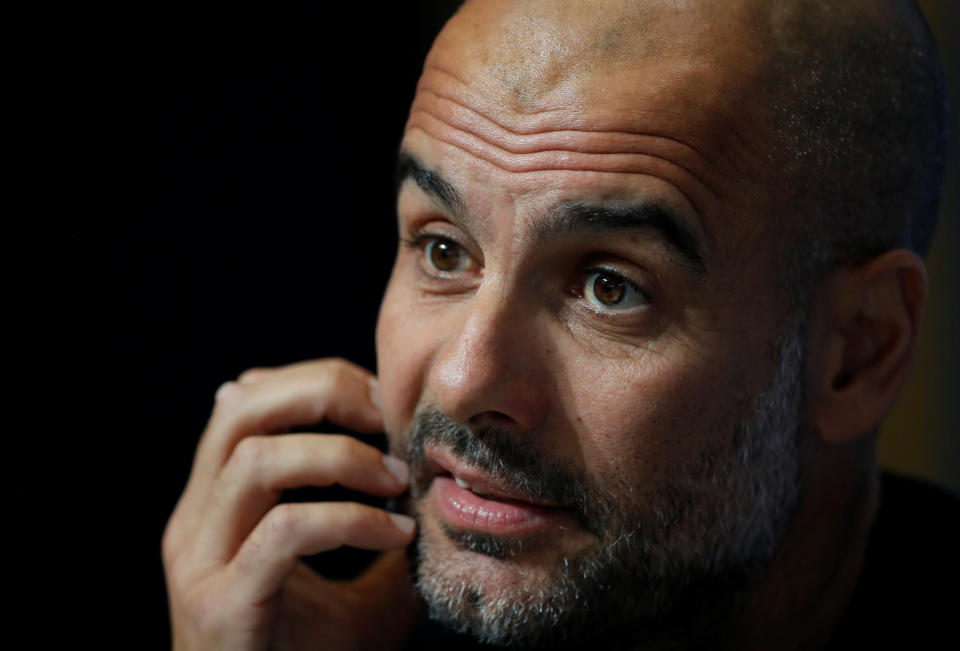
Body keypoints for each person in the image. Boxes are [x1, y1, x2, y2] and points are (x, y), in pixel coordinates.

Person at [162, 0, 956, 649]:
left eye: (610, 287)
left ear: (858, 352)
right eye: (444, 249)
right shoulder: (324, 615)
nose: (463, 378)